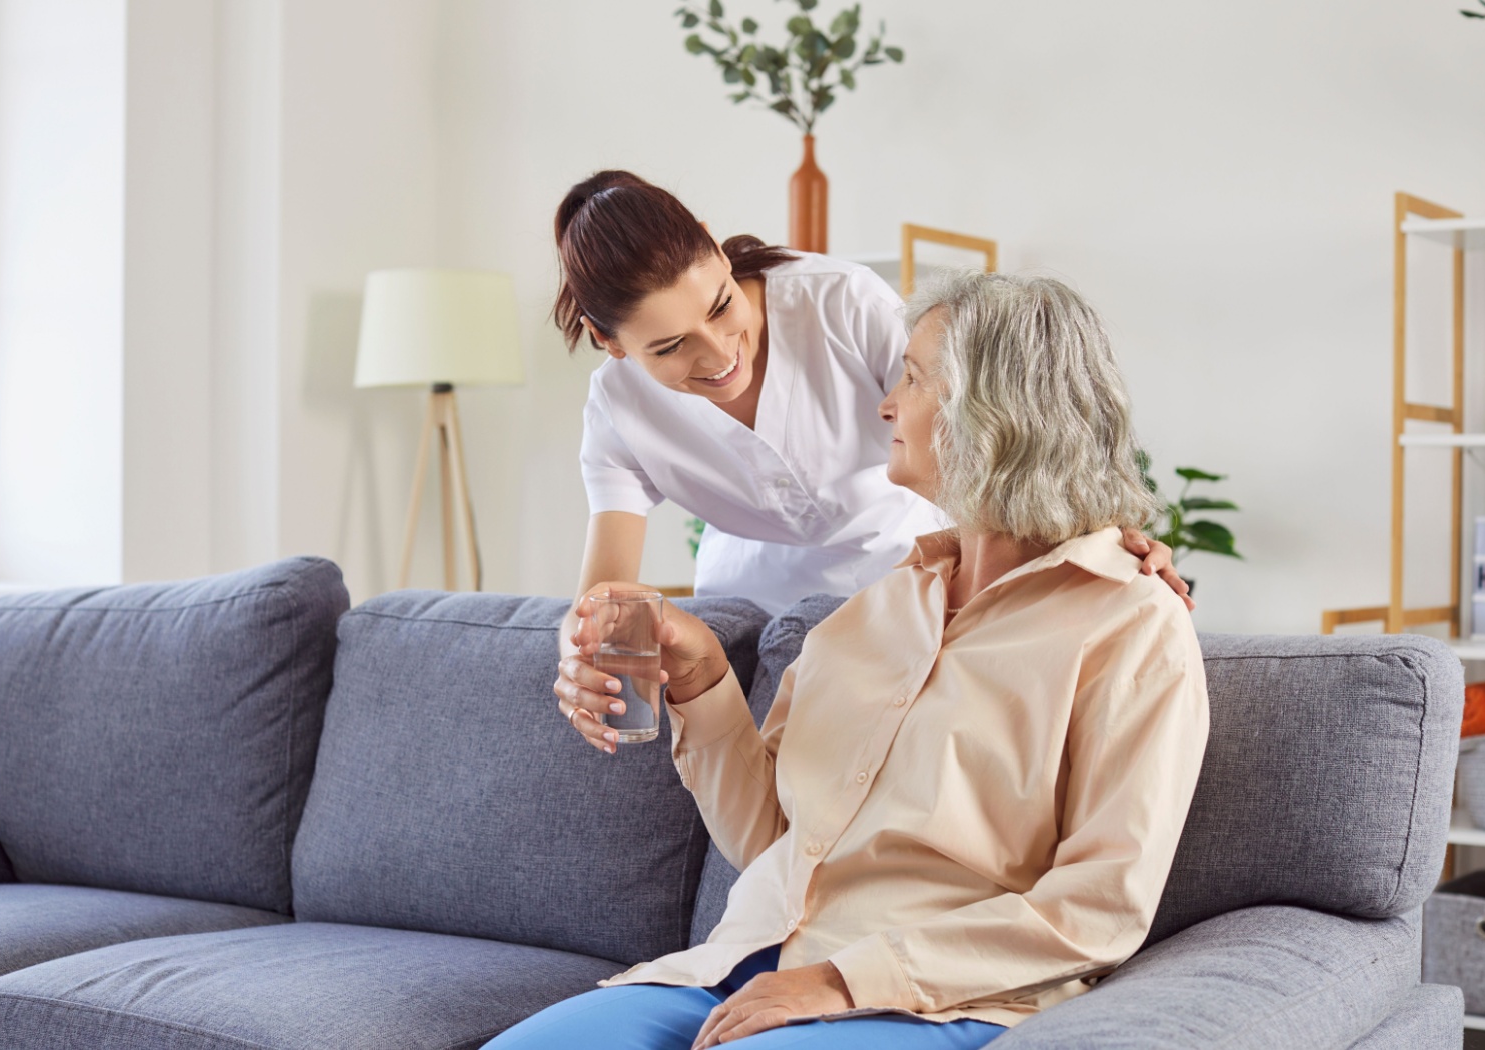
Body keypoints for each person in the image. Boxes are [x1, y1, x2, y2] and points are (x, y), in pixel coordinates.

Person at [514, 270, 1210, 1049]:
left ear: (997, 414)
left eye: (913, 379)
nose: (886, 404)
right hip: (735, 971)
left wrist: (839, 982)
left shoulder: (1130, 623)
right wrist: (704, 679)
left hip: (922, 1000)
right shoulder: (871, 612)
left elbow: (1098, 907)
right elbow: (772, 839)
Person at [551, 171, 1188, 645]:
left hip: (907, 577)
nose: (719, 354)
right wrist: (580, 653)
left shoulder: (839, 303)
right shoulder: (617, 409)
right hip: (752, 612)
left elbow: (989, 423)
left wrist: (1104, 542)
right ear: (609, 342)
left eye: (720, 306)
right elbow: (602, 596)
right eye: (670, 346)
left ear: (717, 251)